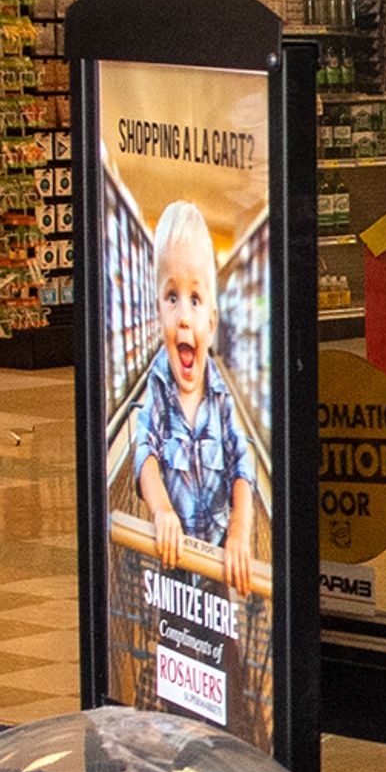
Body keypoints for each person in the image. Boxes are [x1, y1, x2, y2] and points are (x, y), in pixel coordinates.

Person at [132, 196, 254, 591]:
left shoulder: (221, 398)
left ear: (212, 321)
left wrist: (239, 531)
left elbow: (242, 466)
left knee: (226, 651)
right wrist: (162, 511)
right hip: (174, 562)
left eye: (195, 300)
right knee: (176, 646)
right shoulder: (158, 388)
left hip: (217, 565)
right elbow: (144, 453)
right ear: (158, 312)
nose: (184, 316)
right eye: (172, 298)